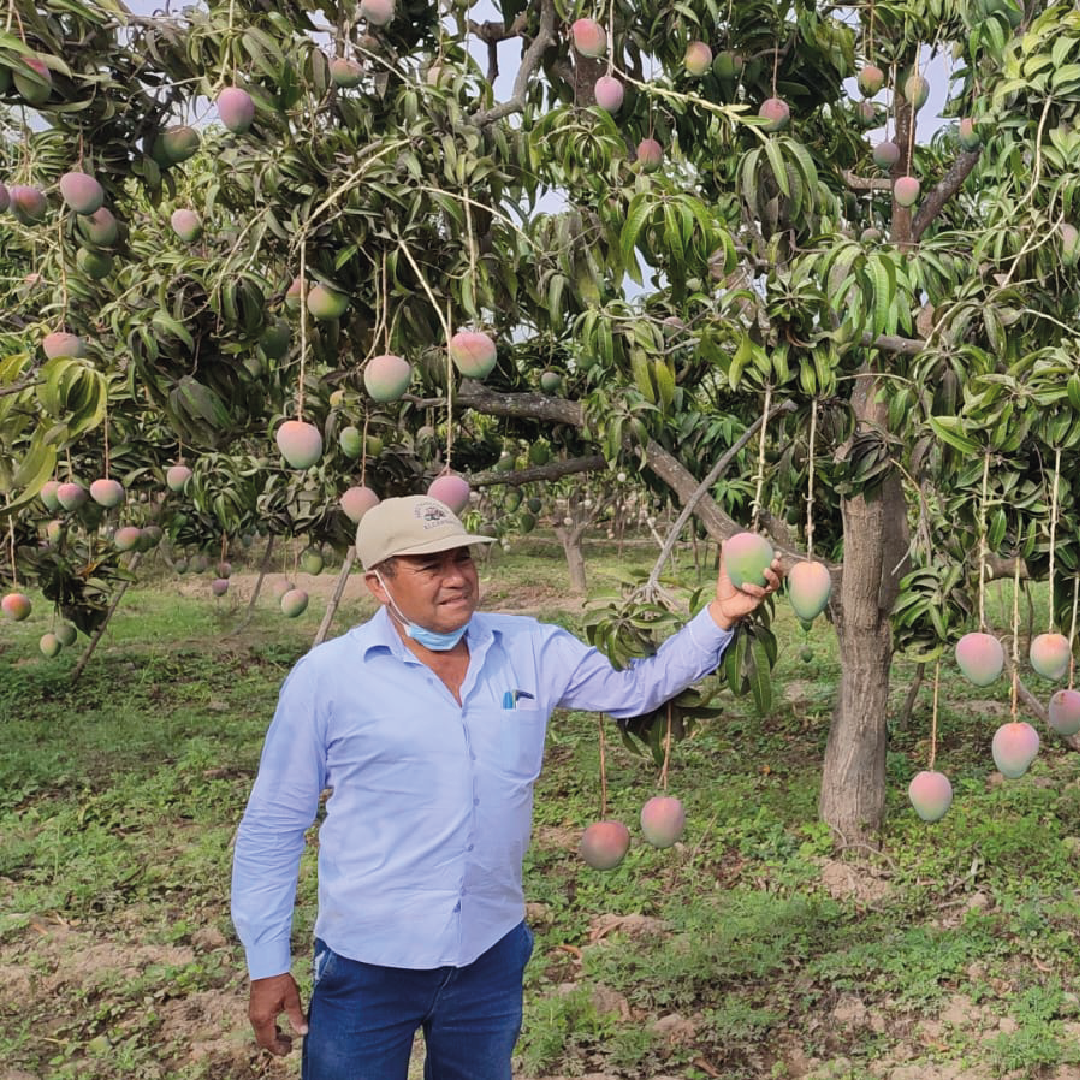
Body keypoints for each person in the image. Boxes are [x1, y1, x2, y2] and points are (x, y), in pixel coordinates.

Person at [231, 494, 782, 1080]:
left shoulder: (529, 649)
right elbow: (273, 827)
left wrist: (722, 614)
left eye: (462, 560)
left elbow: (634, 692)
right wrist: (266, 964)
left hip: (487, 956)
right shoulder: (329, 678)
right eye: (430, 566)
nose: (457, 579)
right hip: (370, 963)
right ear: (378, 583)